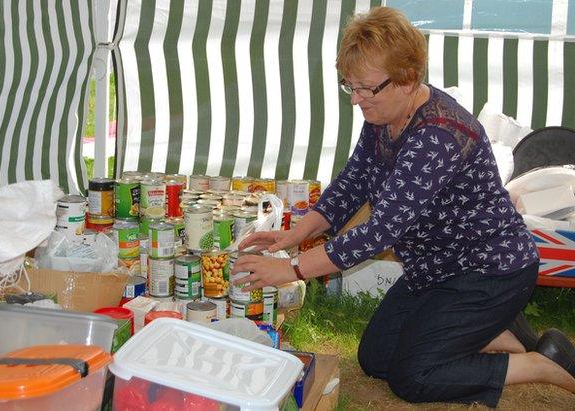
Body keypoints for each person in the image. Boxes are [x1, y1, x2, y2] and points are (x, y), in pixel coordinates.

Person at [232, 6, 575, 407]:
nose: (357, 99)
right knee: (376, 359)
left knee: (413, 377)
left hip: (490, 270)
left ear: (408, 78)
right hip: (435, 267)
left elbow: (380, 231)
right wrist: (297, 231)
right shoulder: (383, 114)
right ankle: (496, 333)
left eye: (366, 89)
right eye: (350, 86)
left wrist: (291, 269)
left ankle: (544, 364)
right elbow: (354, 181)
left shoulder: (439, 135)